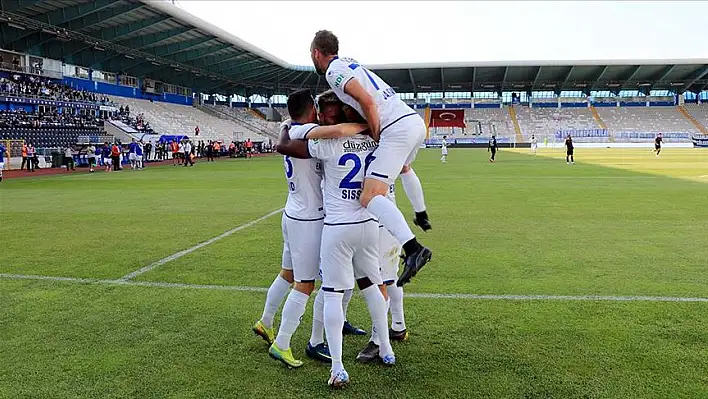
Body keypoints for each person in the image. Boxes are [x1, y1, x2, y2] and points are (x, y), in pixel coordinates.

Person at [277, 89, 395, 388]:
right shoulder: (375, 139)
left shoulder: (327, 142)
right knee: (372, 286)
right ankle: (386, 346)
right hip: (369, 223)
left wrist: (286, 129)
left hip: (337, 226)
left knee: (332, 292)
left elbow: (290, 146)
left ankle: (338, 366)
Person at [311, 30, 432, 287]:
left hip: (396, 129)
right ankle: (421, 214)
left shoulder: (333, 71)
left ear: (316, 53)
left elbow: (367, 101)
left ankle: (413, 249)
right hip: (413, 122)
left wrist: (377, 135)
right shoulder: (350, 62)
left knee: (369, 196)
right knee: (405, 168)